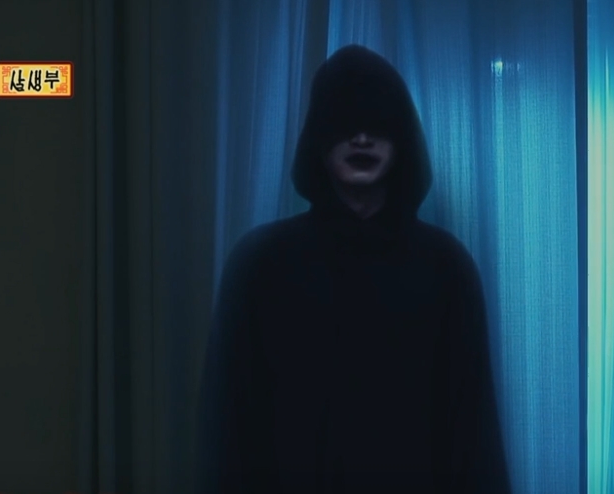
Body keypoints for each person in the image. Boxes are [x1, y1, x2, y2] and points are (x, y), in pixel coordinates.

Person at [197, 44, 511, 493]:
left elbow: (473, 433)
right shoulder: (260, 265)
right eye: (343, 123)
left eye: (377, 122)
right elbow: (227, 431)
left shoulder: (446, 268)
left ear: (401, 135)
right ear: (317, 137)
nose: (361, 138)